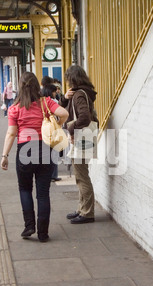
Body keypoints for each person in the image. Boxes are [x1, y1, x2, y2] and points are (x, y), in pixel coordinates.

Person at [1, 72, 69, 242]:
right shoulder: (46, 102)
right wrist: (56, 125)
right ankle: (43, 233)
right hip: (44, 148)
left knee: (25, 189)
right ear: (36, 85)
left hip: (25, 150)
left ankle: (29, 226)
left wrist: (5, 155)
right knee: (43, 193)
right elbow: (64, 114)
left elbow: (11, 133)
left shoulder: (14, 108)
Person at [59, 65, 99, 224]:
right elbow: (64, 108)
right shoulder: (81, 93)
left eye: (68, 78)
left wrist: (70, 127)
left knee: (82, 176)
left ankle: (87, 213)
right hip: (84, 137)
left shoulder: (79, 96)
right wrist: (65, 98)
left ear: (73, 79)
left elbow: (84, 118)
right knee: (80, 175)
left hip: (83, 138)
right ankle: (82, 209)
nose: (67, 81)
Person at [41, 83, 62, 182]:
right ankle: (53, 175)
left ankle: (47, 175)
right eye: (54, 91)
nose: (56, 93)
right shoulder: (53, 102)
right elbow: (62, 114)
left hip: (44, 129)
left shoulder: (40, 102)